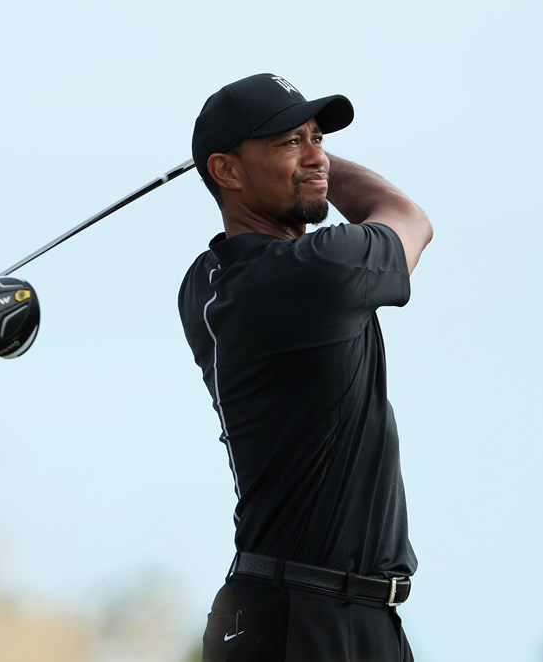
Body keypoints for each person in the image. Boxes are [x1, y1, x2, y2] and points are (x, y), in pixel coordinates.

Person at [178, 73, 433, 661]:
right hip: (301, 619)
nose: (317, 156)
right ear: (226, 170)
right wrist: (318, 169)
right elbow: (408, 217)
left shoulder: (206, 282)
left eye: (318, 137)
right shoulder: (316, 271)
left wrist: (296, 161)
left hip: (326, 612)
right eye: (290, 141)